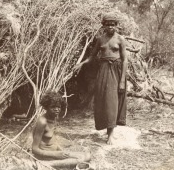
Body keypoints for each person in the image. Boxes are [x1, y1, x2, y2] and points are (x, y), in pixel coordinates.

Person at [74, 12, 128, 145]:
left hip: (116, 70)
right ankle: (106, 128)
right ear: (104, 26)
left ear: (117, 26)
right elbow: (92, 56)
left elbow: (125, 60)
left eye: (113, 25)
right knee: (103, 100)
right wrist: (81, 63)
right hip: (103, 70)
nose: (110, 27)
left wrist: (122, 80)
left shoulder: (120, 39)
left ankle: (111, 133)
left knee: (112, 101)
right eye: (108, 25)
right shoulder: (100, 39)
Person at [32, 91, 91, 168]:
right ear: (46, 107)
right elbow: (34, 149)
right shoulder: (42, 122)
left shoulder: (54, 118)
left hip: (56, 153)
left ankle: (57, 163)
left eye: (58, 107)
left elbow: (52, 140)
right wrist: (56, 154)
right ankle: (48, 164)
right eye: (53, 107)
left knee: (87, 155)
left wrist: (62, 151)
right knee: (82, 158)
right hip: (46, 156)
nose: (57, 109)